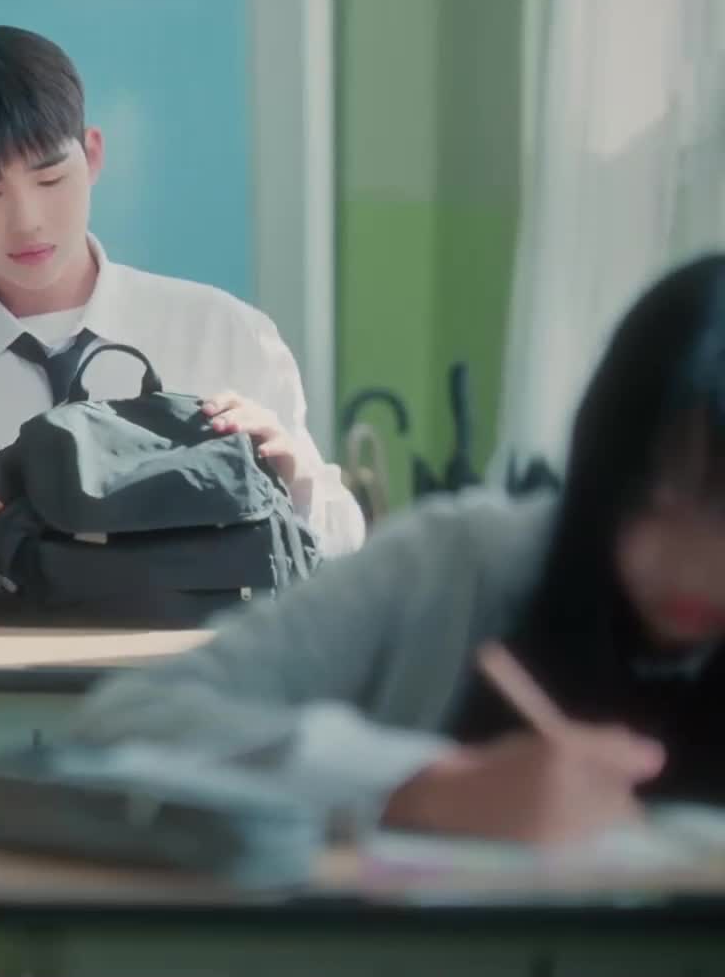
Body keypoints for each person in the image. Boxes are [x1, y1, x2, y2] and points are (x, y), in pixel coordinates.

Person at [73, 253, 725, 842]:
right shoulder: (459, 563)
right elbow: (127, 720)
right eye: (655, 502)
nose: (692, 565)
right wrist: (427, 787)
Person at [0, 26, 365, 625]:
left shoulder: (226, 336)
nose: (27, 221)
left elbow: (344, 551)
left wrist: (296, 482)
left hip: (190, 680)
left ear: (92, 155)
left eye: (49, 179)